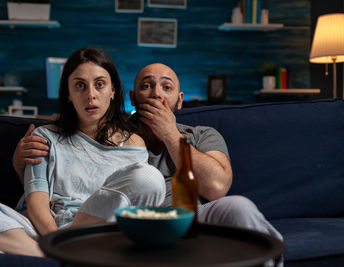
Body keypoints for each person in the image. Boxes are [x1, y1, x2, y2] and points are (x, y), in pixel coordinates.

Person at [14, 62, 283, 242]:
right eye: (146, 86)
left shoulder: (202, 135)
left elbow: (216, 187)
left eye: (166, 87)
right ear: (132, 98)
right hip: (137, 224)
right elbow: (73, 175)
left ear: (179, 100)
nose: (156, 94)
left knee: (239, 206)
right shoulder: (112, 134)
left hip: (191, 215)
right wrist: (21, 165)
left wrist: (170, 134)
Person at [0, 48, 165, 257]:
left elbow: (135, 203)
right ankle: (54, 254)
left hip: (100, 230)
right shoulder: (44, 136)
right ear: (68, 93)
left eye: (99, 84)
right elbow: (36, 202)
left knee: (150, 178)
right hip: (41, 231)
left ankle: (52, 254)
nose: (91, 95)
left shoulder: (133, 143)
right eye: (80, 86)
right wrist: (54, 239)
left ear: (113, 90)